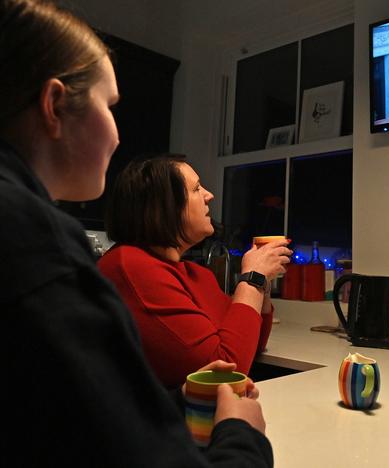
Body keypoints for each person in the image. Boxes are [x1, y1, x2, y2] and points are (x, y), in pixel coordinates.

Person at [0, 1, 272, 466]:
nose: (119, 137)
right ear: (54, 106)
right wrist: (243, 436)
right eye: (109, 107)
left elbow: (74, 417)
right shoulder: (38, 245)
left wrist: (172, 397)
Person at [98, 156, 292, 388]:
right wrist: (253, 278)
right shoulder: (130, 266)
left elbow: (252, 341)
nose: (209, 195)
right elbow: (227, 373)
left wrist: (264, 280)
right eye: (197, 188)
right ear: (162, 207)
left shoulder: (196, 274)